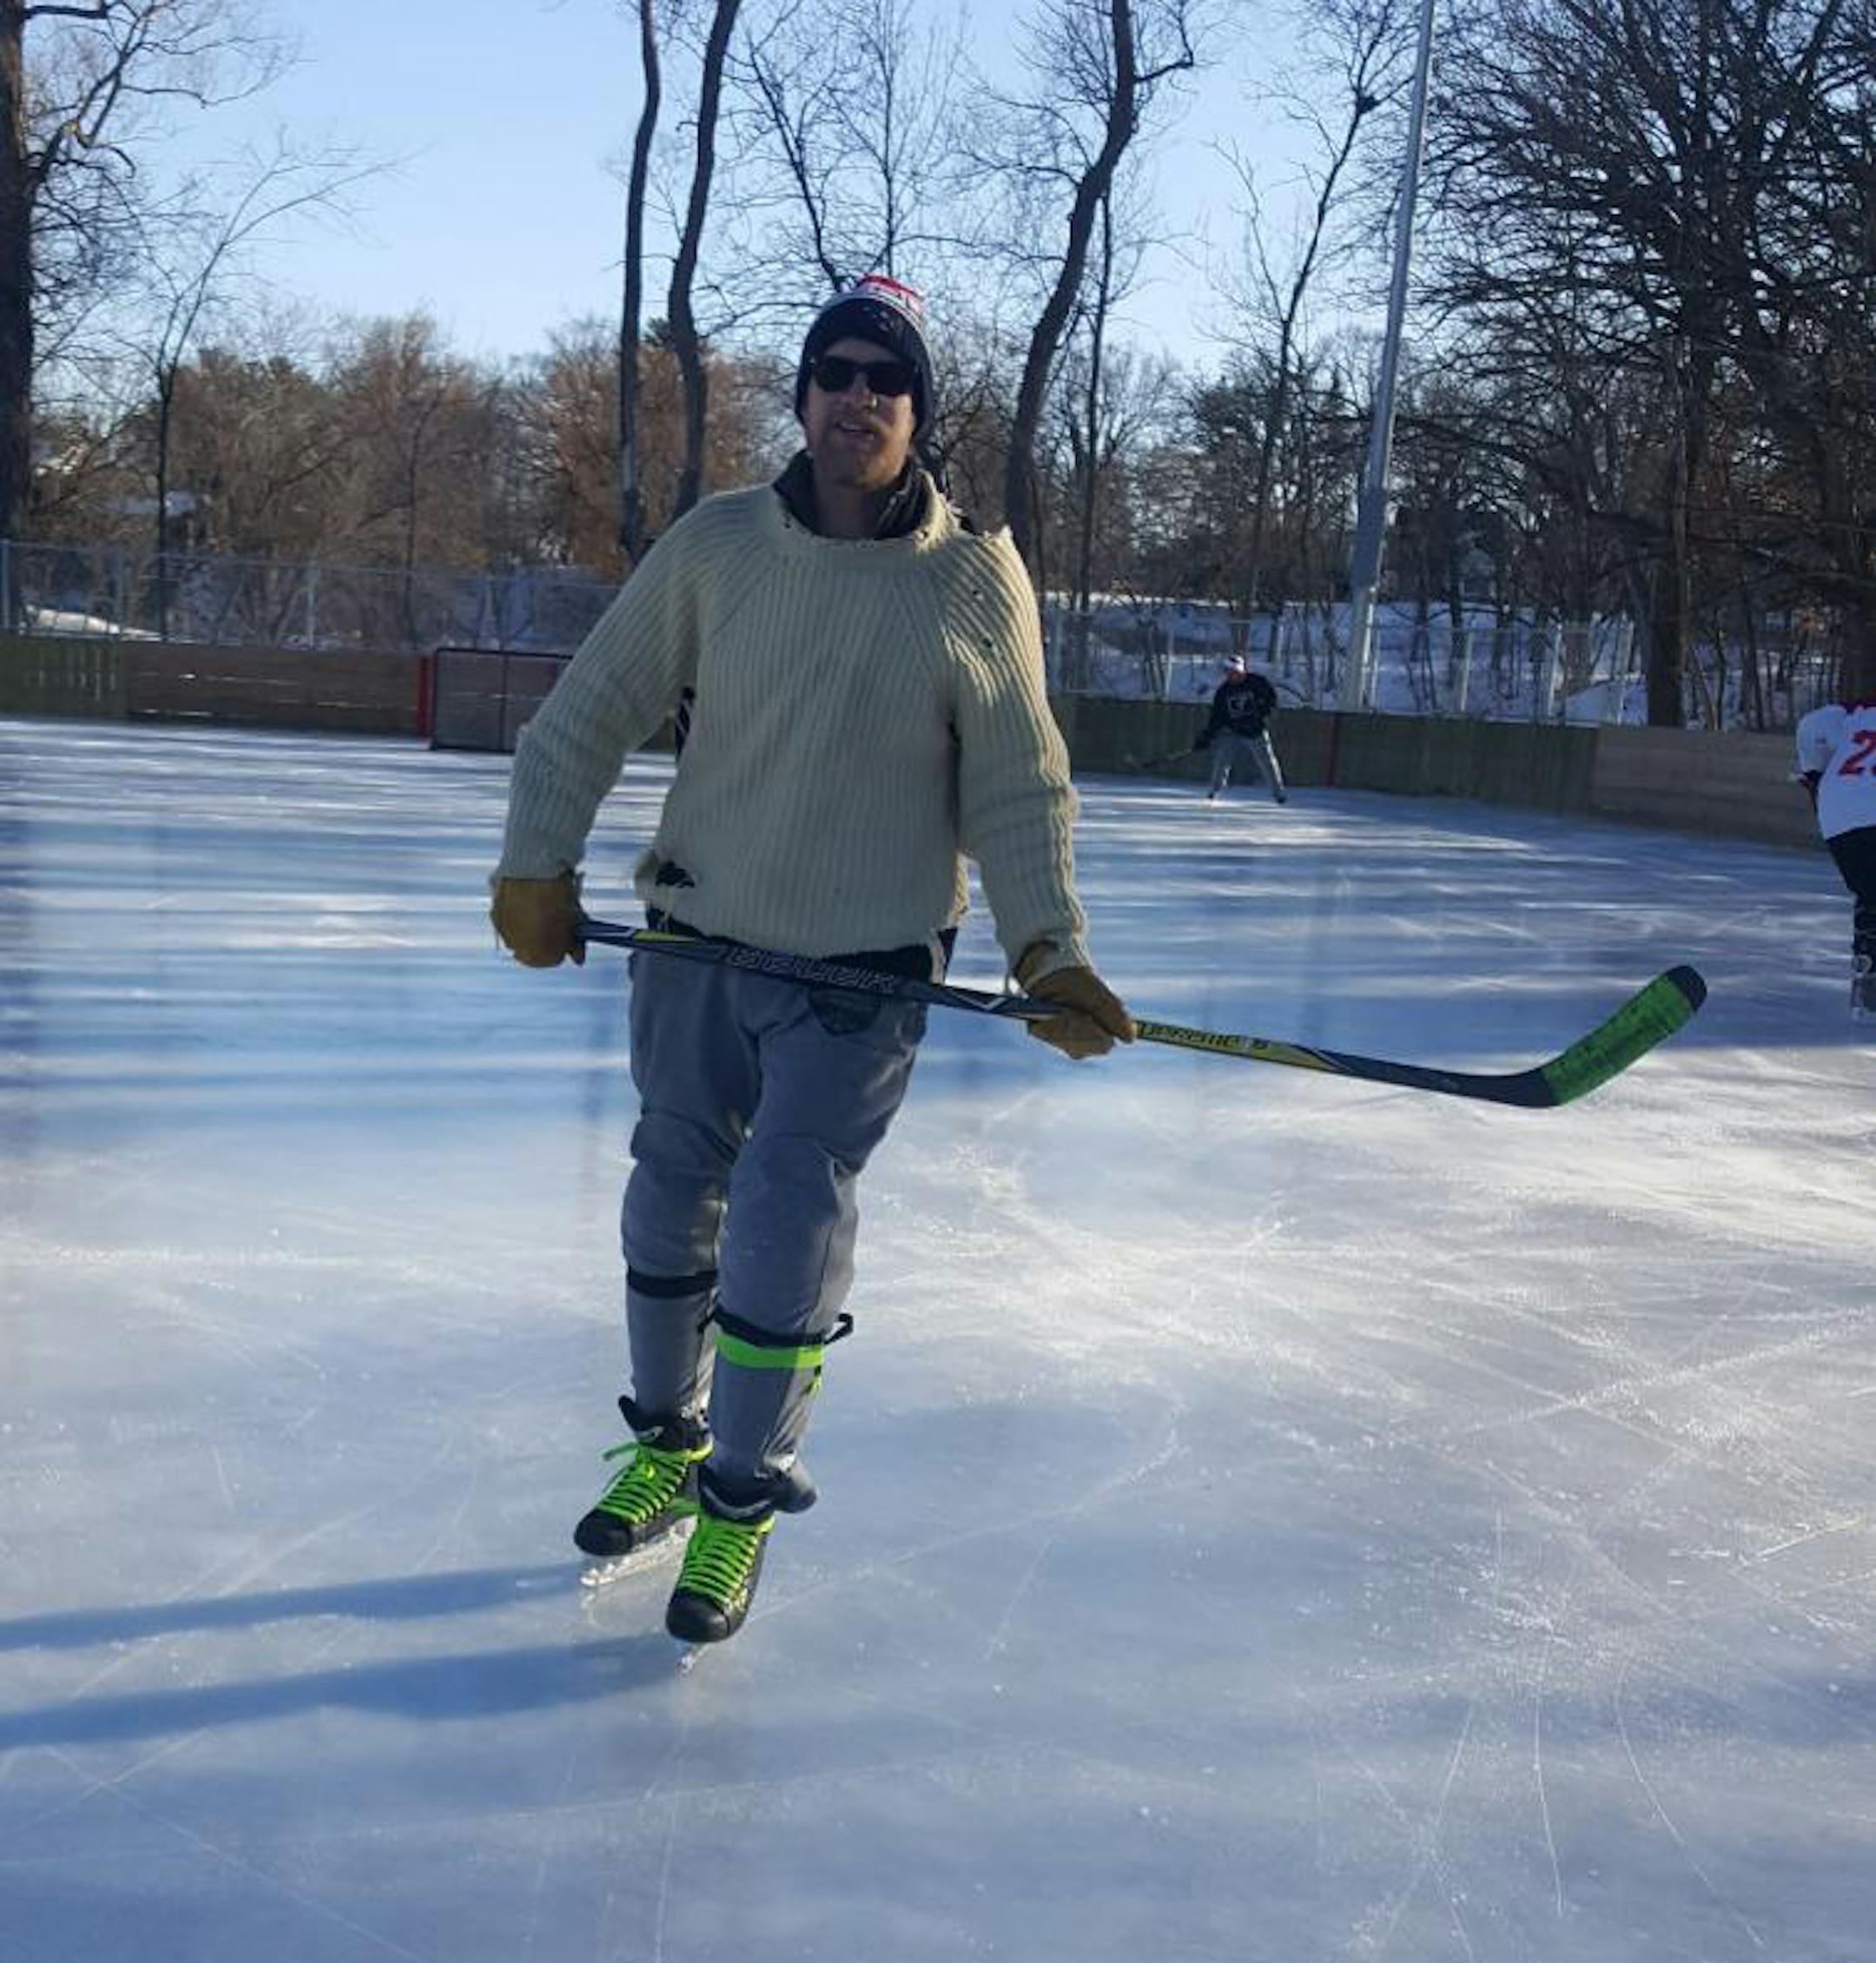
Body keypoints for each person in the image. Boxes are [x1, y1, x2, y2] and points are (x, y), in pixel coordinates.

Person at [488, 273, 1135, 1645]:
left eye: (885, 381)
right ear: (802, 395)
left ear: (916, 414)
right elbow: (591, 706)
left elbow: (1020, 784)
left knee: (784, 1210)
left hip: (860, 973)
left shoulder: (973, 579)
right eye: (835, 372)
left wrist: (1051, 950)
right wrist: (535, 861)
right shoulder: (720, 546)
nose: (858, 397)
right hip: (698, 939)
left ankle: (737, 1498)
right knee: (673, 1195)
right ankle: (666, 1439)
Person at [1794, 691, 1876, 1021]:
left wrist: (1814, 773)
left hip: (1842, 815)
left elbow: (1811, 727)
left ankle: (1868, 973)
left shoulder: (1855, 712)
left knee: (1870, 892)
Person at [1196, 655, 1287, 803]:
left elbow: (1272, 701)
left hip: (1255, 731)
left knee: (1267, 762)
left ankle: (1279, 794)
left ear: (1242, 670)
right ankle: (1213, 793)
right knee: (1222, 762)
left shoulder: (1258, 683)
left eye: (1235, 672)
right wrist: (1207, 735)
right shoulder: (1223, 692)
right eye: (1229, 672)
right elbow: (1217, 717)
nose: (1232, 675)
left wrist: (1264, 718)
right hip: (1233, 732)